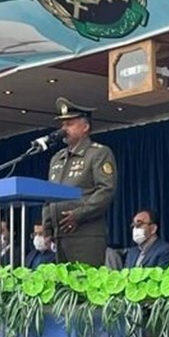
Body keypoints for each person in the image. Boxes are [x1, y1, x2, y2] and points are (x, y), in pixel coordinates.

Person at [42, 97, 117, 267]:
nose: (64, 129)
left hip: (85, 234)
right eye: (63, 125)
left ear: (85, 127)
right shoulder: (57, 158)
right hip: (59, 235)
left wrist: (79, 214)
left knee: (84, 280)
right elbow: (48, 195)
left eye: (69, 124)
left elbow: (106, 190)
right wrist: (47, 227)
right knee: (64, 282)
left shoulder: (98, 153)